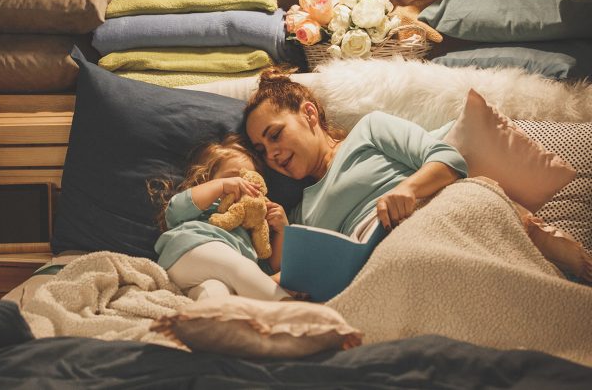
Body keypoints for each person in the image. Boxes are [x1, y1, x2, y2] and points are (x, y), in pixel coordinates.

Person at [243, 67, 592, 282]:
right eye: (261, 150)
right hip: (385, 260)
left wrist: (407, 190)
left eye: (275, 134)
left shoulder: (369, 130)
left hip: (432, 213)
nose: (271, 153)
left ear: (308, 114)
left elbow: (448, 157)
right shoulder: (302, 209)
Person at [148, 133, 293, 301]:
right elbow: (174, 210)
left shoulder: (253, 223)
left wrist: (283, 230)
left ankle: (208, 319)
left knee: (214, 292)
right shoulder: (207, 204)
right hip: (189, 250)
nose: (242, 184)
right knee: (240, 268)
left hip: (195, 279)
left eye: (249, 181)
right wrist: (221, 186)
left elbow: (270, 266)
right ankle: (293, 309)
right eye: (233, 177)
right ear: (206, 180)